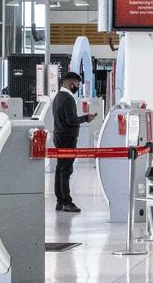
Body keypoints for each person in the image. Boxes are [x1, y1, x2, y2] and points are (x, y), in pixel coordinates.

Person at [51, 71, 97, 213]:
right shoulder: (67, 99)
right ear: (71, 83)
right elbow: (71, 121)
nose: (77, 87)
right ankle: (67, 202)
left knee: (60, 169)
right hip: (67, 139)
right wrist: (86, 118)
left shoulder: (58, 96)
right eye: (77, 84)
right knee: (66, 170)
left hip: (59, 136)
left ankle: (60, 201)